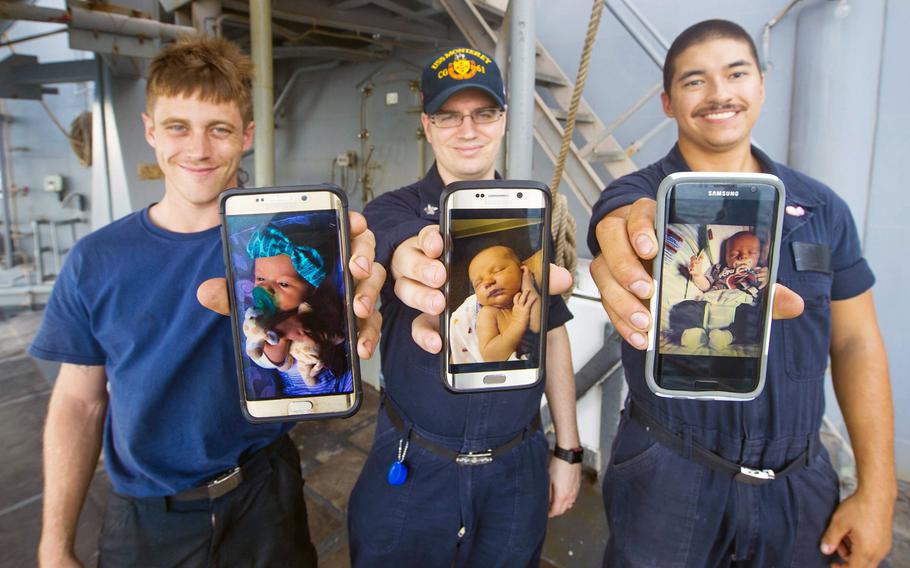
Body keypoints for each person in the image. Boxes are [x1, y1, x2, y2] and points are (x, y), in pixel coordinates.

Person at [31, 36, 383, 567]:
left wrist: (351, 301)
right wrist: (54, 547)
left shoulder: (276, 244)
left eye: (218, 129)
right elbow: (79, 403)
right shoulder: (95, 260)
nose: (197, 149)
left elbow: (317, 346)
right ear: (150, 130)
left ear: (246, 137)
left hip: (265, 494)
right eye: (178, 127)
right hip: (146, 516)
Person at [588, 20, 895, 567]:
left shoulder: (824, 209)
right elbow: (619, 217)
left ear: (761, 85)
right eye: (694, 81)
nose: (719, 93)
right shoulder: (642, 194)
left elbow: (857, 345)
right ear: (666, 101)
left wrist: (878, 490)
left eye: (735, 73)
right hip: (668, 474)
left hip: (797, 483)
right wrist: (628, 241)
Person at [348, 47, 581, 566]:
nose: (467, 129)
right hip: (415, 460)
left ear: (502, 122)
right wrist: (417, 257)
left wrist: (568, 448)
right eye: (449, 116)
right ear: (427, 127)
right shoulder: (394, 209)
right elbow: (393, 239)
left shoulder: (533, 217)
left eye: (483, 113)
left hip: (516, 467)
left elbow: (555, 334)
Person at [469, 245, 541, 362]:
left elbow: (538, 326)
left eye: (498, 270)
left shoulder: (526, 297)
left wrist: (528, 287)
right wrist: (518, 322)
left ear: (521, 270)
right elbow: (490, 356)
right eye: (478, 283)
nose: (488, 282)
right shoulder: (489, 313)